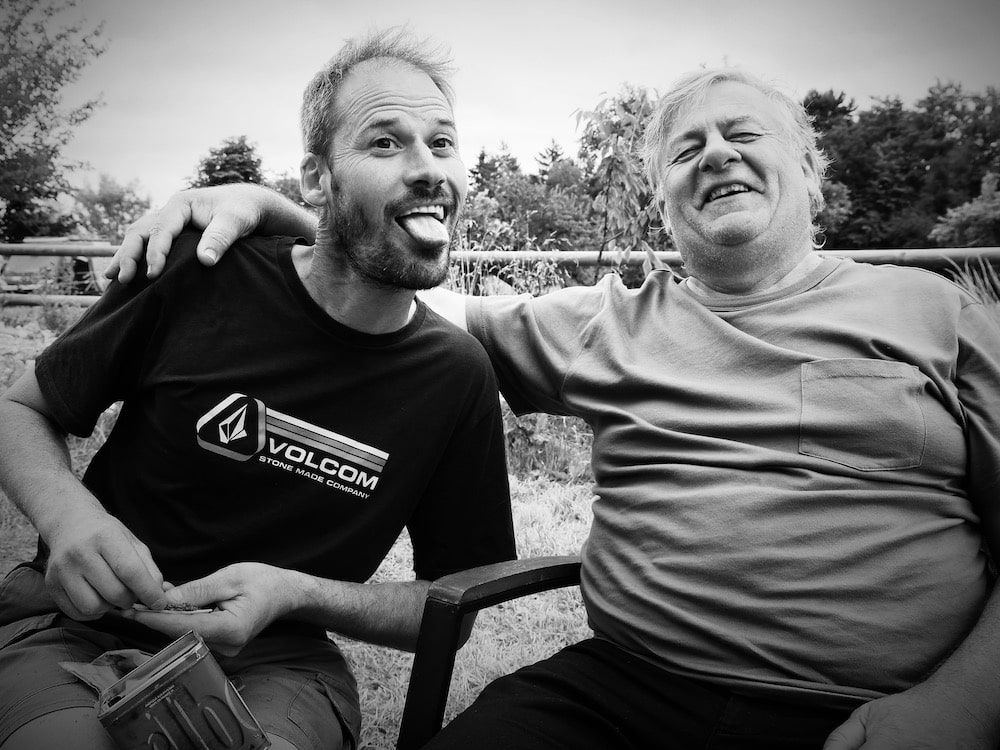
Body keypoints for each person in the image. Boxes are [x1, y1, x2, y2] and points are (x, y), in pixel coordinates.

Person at [107, 66, 1000, 749]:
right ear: (662, 199)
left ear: (810, 167)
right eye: (685, 150)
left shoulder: (939, 314)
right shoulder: (602, 322)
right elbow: (390, 284)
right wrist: (276, 206)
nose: (716, 154)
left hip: (874, 712)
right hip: (628, 688)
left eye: (743, 135)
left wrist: (958, 705)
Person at [0, 28, 516, 750]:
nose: (429, 168)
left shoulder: (457, 375)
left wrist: (293, 593)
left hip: (277, 661)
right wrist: (68, 520)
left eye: (442, 143)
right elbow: (22, 409)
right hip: (79, 627)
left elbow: (453, 603)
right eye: (385, 143)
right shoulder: (200, 268)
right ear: (315, 179)